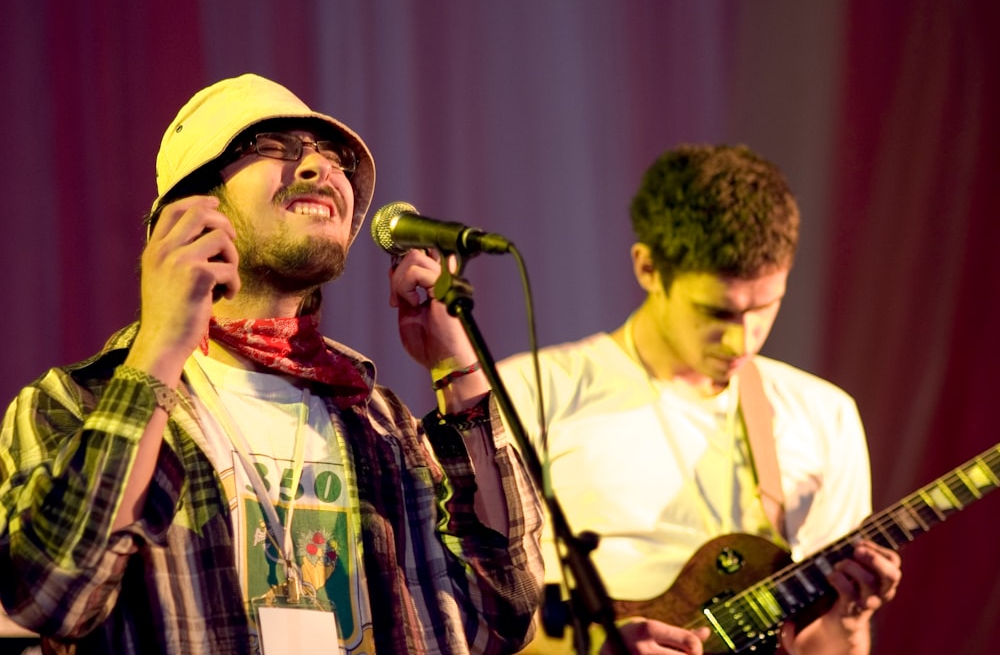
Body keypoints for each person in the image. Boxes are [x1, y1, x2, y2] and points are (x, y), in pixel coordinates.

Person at [0, 73, 544, 655]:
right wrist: (158, 347)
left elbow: (505, 615)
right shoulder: (74, 404)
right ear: (190, 209)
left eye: (331, 156)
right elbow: (47, 595)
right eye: (273, 147)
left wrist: (459, 373)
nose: (320, 169)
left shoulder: (381, 424)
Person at [498, 144, 902, 655]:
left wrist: (849, 618)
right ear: (647, 268)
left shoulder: (825, 415)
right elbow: (465, 619)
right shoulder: (530, 391)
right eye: (717, 313)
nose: (743, 340)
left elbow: (824, 647)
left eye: (765, 307)